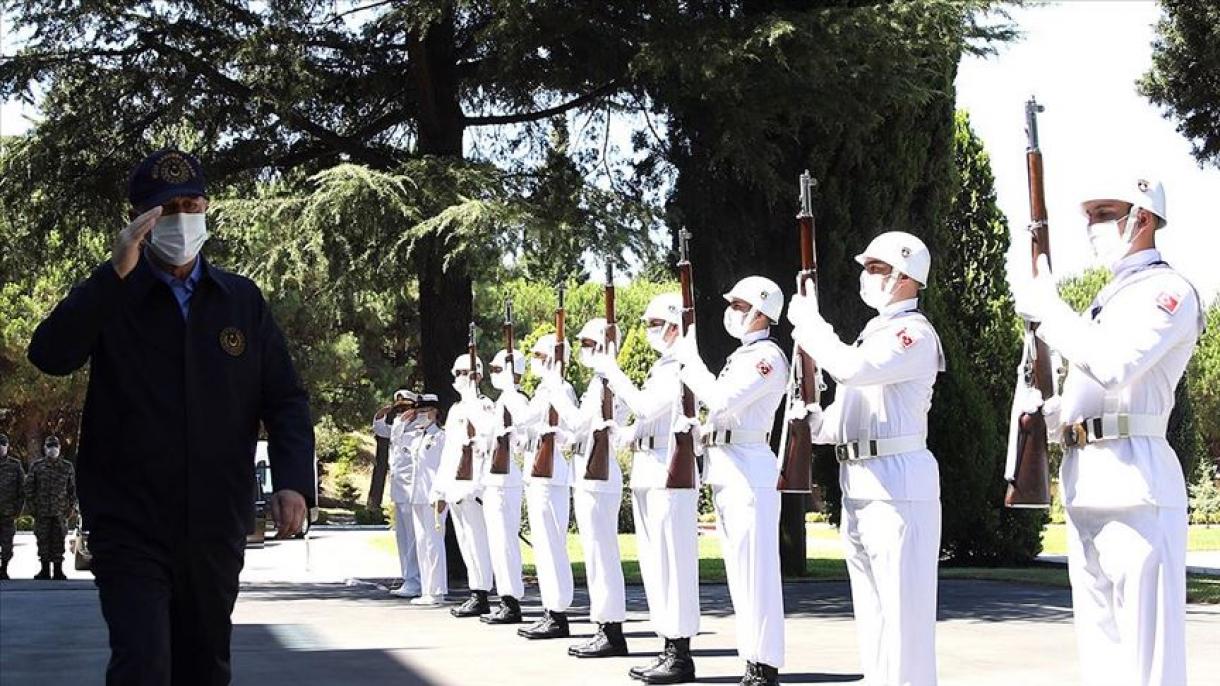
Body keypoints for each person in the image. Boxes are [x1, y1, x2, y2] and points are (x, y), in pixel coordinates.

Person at [26, 149, 315, 685]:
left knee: (203, 667)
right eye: (166, 209)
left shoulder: (239, 301)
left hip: (213, 520)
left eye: (191, 204)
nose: (182, 218)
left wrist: (293, 481)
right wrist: (113, 274)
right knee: (144, 664)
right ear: (140, 220)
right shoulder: (112, 295)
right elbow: (50, 354)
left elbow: (285, 399)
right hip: (130, 523)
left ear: (206, 208)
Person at [1008, 176, 1202, 686]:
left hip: (1136, 482)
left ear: (1141, 216)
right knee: (1101, 656)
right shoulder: (1108, 297)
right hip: (1086, 483)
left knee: (1148, 660)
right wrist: (1045, 415)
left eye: (1103, 212)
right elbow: (1086, 393)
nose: (1091, 224)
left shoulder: (1168, 290)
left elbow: (1116, 365)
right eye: (1088, 214)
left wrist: (1051, 309)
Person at [789, 232, 945, 686]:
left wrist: (812, 325)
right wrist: (815, 421)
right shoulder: (873, 335)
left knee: (904, 626)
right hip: (860, 483)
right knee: (874, 624)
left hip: (897, 488)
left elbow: (853, 369)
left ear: (905, 275)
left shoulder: (911, 334)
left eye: (875, 268)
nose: (866, 275)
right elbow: (848, 418)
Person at [672, 277, 788, 686]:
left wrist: (691, 362)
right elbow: (723, 413)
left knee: (757, 575)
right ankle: (752, 661)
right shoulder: (744, 356)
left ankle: (765, 664)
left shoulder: (768, 357)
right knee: (741, 577)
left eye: (739, 306)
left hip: (750, 473)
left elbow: (722, 399)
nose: (732, 312)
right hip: (729, 471)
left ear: (761, 312)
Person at [589, 293, 701, 683]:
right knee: (655, 566)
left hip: (671, 470)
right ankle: (667, 643)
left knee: (674, 564)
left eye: (655, 323)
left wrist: (612, 371)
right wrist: (624, 433)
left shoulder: (681, 366)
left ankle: (680, 651)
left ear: (674, 326)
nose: (649, 330)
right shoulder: (663, 367)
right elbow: (646, 418)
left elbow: (644, 404)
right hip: (648, 466)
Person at [551, 318, 630, 658]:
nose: (581, 349)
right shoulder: (601, 383)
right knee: (595, 553)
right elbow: (581, 430)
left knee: (602, 554)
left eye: (586, 343)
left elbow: (579, 421)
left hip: (599, 473)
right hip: (587, 468)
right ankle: (605, 626)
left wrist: (555, 389)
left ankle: (610, 630)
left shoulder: (606, 383)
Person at [517, 333, 577, 640]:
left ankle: (558, 612)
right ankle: (549, 609)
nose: (534, 361)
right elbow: (524, 421)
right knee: (543, 545)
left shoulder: (561, 388)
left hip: (551, 471)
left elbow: (570, 429)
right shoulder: (543, 390)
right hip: (537, 469)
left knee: (553, 544)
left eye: (540, 356)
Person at [431, 354, 495, 616]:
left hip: (474, 485)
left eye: (462, 373)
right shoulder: (457, 409)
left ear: (476, 376)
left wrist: (478, 485)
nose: (456, 378)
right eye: (455, 373)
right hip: (456, 484)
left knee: (479, 540)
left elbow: (488, 443)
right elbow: (449, 452)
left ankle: (483, 593)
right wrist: (440, 488)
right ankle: (475, 591)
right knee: (466, 541)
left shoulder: (484, 405)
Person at [478, 348, 537, 624]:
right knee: (496, 541)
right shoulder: (502, 399)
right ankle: (504, 597)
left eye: (499, 370)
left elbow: (525, 434)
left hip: (507, 478)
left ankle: (512, 601)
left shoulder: (517, 399)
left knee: (505, 542)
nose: (494, 375)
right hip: (494, 477)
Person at [397, 394, 449, 606]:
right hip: (417, 496)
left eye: (424, 411)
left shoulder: (441, 437)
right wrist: (402, 423)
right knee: (421, 543)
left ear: (435, 412)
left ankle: (437, 590)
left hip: (434, 496)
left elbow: (445, 468)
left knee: (433, 543)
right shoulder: (418, 437)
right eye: (418, 411)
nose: (420, 415)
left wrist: (442, 493)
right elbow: (397, 443)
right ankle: (426, 588)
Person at [384, 390, 424, 598]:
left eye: (405, 408)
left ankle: (416, 580)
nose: (402, 412)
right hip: (399, 488)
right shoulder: (399, 426)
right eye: (398, 409)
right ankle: (409, 577)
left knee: (415, 537)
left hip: (413, 489)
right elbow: (380, 428)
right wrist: (383, 413)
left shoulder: (420, 427)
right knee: (403, 537)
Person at [24, 436, 77, 581]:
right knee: (43, 540)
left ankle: (58, 571)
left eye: (55, 446)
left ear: (59, 448)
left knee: (59, 540)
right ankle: (45, 570)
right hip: (42, 512)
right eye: (50, 446)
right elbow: (29, 488)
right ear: (45, 448)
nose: (53, 449)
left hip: (60, 512)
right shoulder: (37, 466)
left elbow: (72, 489)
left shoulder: (67, 466)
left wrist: (72, 507)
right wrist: (32, 507)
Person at [0, 433, 24, 580]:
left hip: (8, 513)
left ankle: (3, 569)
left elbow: (22, 489)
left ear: (7, 447)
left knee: (7, 544)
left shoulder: (15, 465)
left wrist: (18, 510)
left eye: (3, 445)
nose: (0, 448)